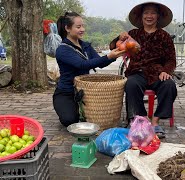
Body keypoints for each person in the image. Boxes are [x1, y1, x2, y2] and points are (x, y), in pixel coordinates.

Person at [110, 2, 177, 138]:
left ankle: (155, 122)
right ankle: (142, 120)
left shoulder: (164, 36)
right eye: (146, 13)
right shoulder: (133, 34)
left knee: (169, 85)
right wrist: (119, 38)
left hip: (157, 72)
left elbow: (171, 60)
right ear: (141, 16)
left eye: (153, 13)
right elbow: (113, 47)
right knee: (131, 84)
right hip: (137, 71)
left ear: (158, 16)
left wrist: (166, 71)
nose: (149, 16)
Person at [53, 12, 125, 127]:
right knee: (69, 120)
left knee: (98, 116)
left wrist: (113, 56)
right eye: (78, 27)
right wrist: (108, 56)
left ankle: (79, 109)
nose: (82, 29)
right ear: (67, 28)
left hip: (85, 91)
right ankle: (68, 107)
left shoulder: (86, 46)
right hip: (66, 92)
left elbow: (100, 63)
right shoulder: (63, 50)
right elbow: (82, 65)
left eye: (83, 26)